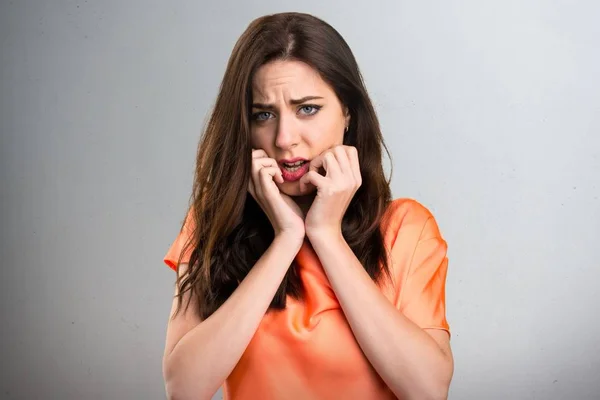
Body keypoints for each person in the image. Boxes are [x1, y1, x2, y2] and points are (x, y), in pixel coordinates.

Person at [161, 12, 453, 400]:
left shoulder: (405, 228)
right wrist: (286, 239)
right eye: (263, 114)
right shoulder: (212, 222)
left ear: (348, 113)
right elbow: (184, 389)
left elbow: (428, 390)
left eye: (308, 109)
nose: (284, 139)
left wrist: (325, 235)